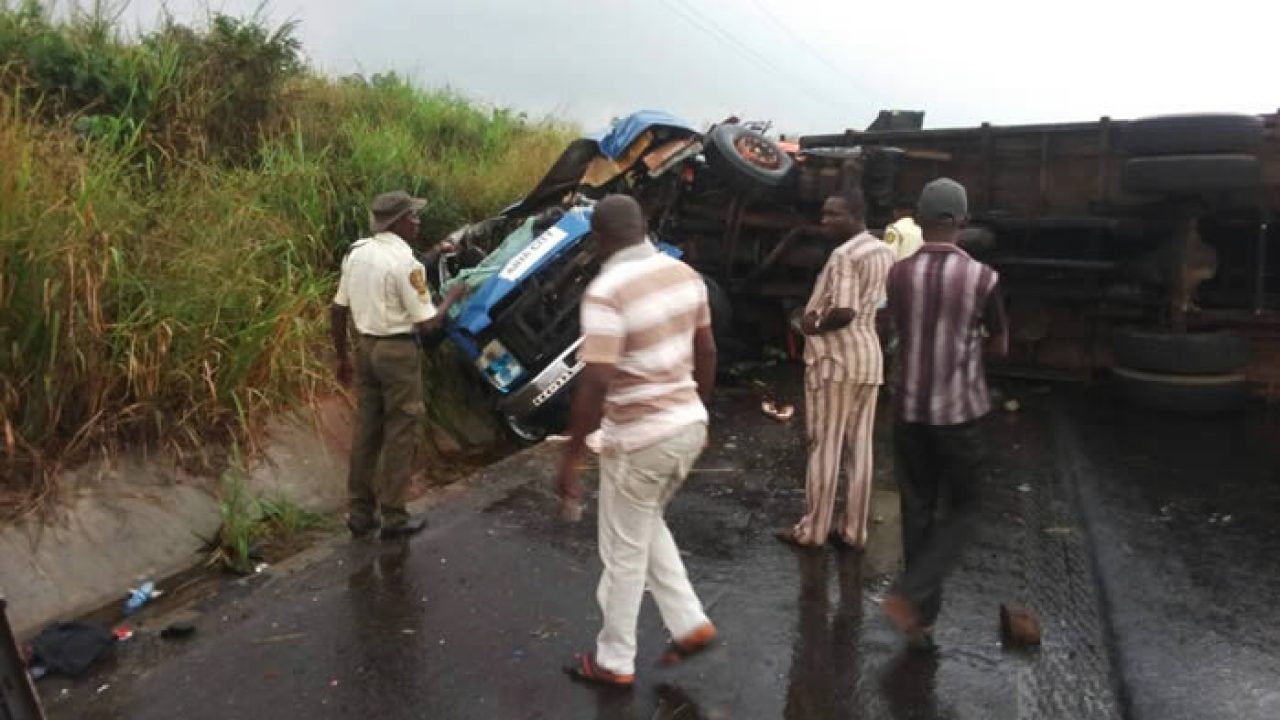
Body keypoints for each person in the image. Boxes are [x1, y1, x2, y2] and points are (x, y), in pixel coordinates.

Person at [556, 195, 718, 688]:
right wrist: (696, 413)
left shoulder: (607, 291)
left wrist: (571, 455)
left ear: (599, 239)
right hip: (687, 426)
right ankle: (689, 624)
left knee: (623, 553)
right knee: (644, 527)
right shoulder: (685, 275)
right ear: (644, 225)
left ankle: (614, 660)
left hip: (641, 439)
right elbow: (707, 351)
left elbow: (597, 379)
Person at [880, 178, 1009, 649]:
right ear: (962, 222)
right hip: (959, 415)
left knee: (917, 509)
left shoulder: (897, 275)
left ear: (920, 217)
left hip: (908, 408)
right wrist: (971, 357)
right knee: (968, 505)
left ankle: (922, 620)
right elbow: (1001, 344)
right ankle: (911, 594)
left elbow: (892, 326)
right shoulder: (983, 278)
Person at [777, 189, 896, 550]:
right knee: (859, 447)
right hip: (868, 357)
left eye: (834, 215)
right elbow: (883, 309)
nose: (825, 221)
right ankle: (854, 531)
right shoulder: (884, 251)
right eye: (824, 214)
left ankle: (813, 530)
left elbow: (843, 311)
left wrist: (810, 325)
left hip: (835, 361)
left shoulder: (844, 255)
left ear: (856, 215)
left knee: (825, 444)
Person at [331, 190, 442, 540]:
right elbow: (427, 324)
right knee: (401, 433)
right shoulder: (408, 265)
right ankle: (394, 516)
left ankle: (359, 513)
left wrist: (341, 357)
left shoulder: (357, 253)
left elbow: (337, 309)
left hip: (365, 349)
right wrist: (453, 297)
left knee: (367, 430)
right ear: (399, 222)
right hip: (398, 353)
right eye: (414, 216)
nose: (418, 221)